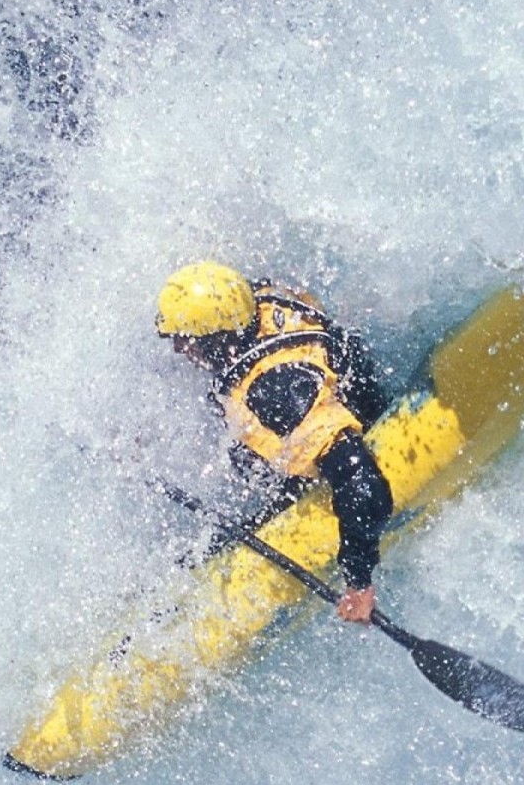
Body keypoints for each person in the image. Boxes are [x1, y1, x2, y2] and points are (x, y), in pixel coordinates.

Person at [155, 261, 395, 624]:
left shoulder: (277, 393)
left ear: (215, 340)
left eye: (185, 339)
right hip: (332, 394)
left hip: (345, 448)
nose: (177, 349)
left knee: (213, 544)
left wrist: (358, 582)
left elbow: (363, 486)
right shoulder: (256, 301)